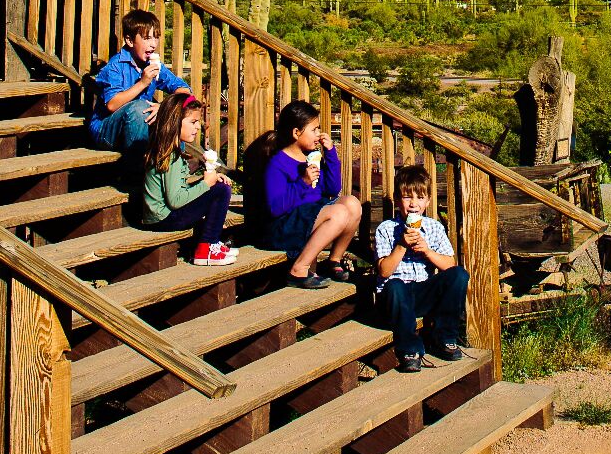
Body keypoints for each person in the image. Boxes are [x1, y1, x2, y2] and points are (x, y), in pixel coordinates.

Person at [373, 165, 467, 372]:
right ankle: (410, 350)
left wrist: (427, 251)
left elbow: (450, 265)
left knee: (459, 275)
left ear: (428, 202)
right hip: (394, 298)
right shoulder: (387, 229)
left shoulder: (434, 227)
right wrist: (401, 245)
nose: (413, 204)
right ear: (398, 201)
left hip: (422, 292)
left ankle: (445, 337)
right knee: (396, 285)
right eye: (407, 198)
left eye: (419, 198)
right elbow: (384, 272)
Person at [262, 99, 364, 289]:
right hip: (284, 226)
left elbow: (332, 189)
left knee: (352, 203)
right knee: (340, 212)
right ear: (296, 133)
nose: (319, 134)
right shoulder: (277, 164)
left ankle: (334, 260)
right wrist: (303, 183)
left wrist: (331, 153)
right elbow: (276, 208)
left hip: (308, 215)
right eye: (314, 130)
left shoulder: (312, 158)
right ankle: (299, 269)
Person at [137, 94, 238, 260]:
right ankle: (207, 246)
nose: (198, 127)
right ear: (175, 122)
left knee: (218, 186)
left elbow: (178, 191)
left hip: (161, 216)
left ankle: (211, 243)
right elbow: (176, 200)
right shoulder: (171, 157)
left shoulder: (167, 151)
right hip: (164, 218)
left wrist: (208, 182)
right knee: (221, 191)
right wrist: (206, 183)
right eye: (193, 122)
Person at [87, 8, 189, 154]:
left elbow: (184, 90)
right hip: (107, 131)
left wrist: (163, 107)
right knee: (139, 107)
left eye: (156, 37)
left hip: (139, 126)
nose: (153, 44)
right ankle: (137, 173)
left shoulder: (153, 65)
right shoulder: (115, 67)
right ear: (129, 40)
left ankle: (174, 169)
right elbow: (112, 105)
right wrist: (142, 83)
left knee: (174, 113)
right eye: (147, 38)